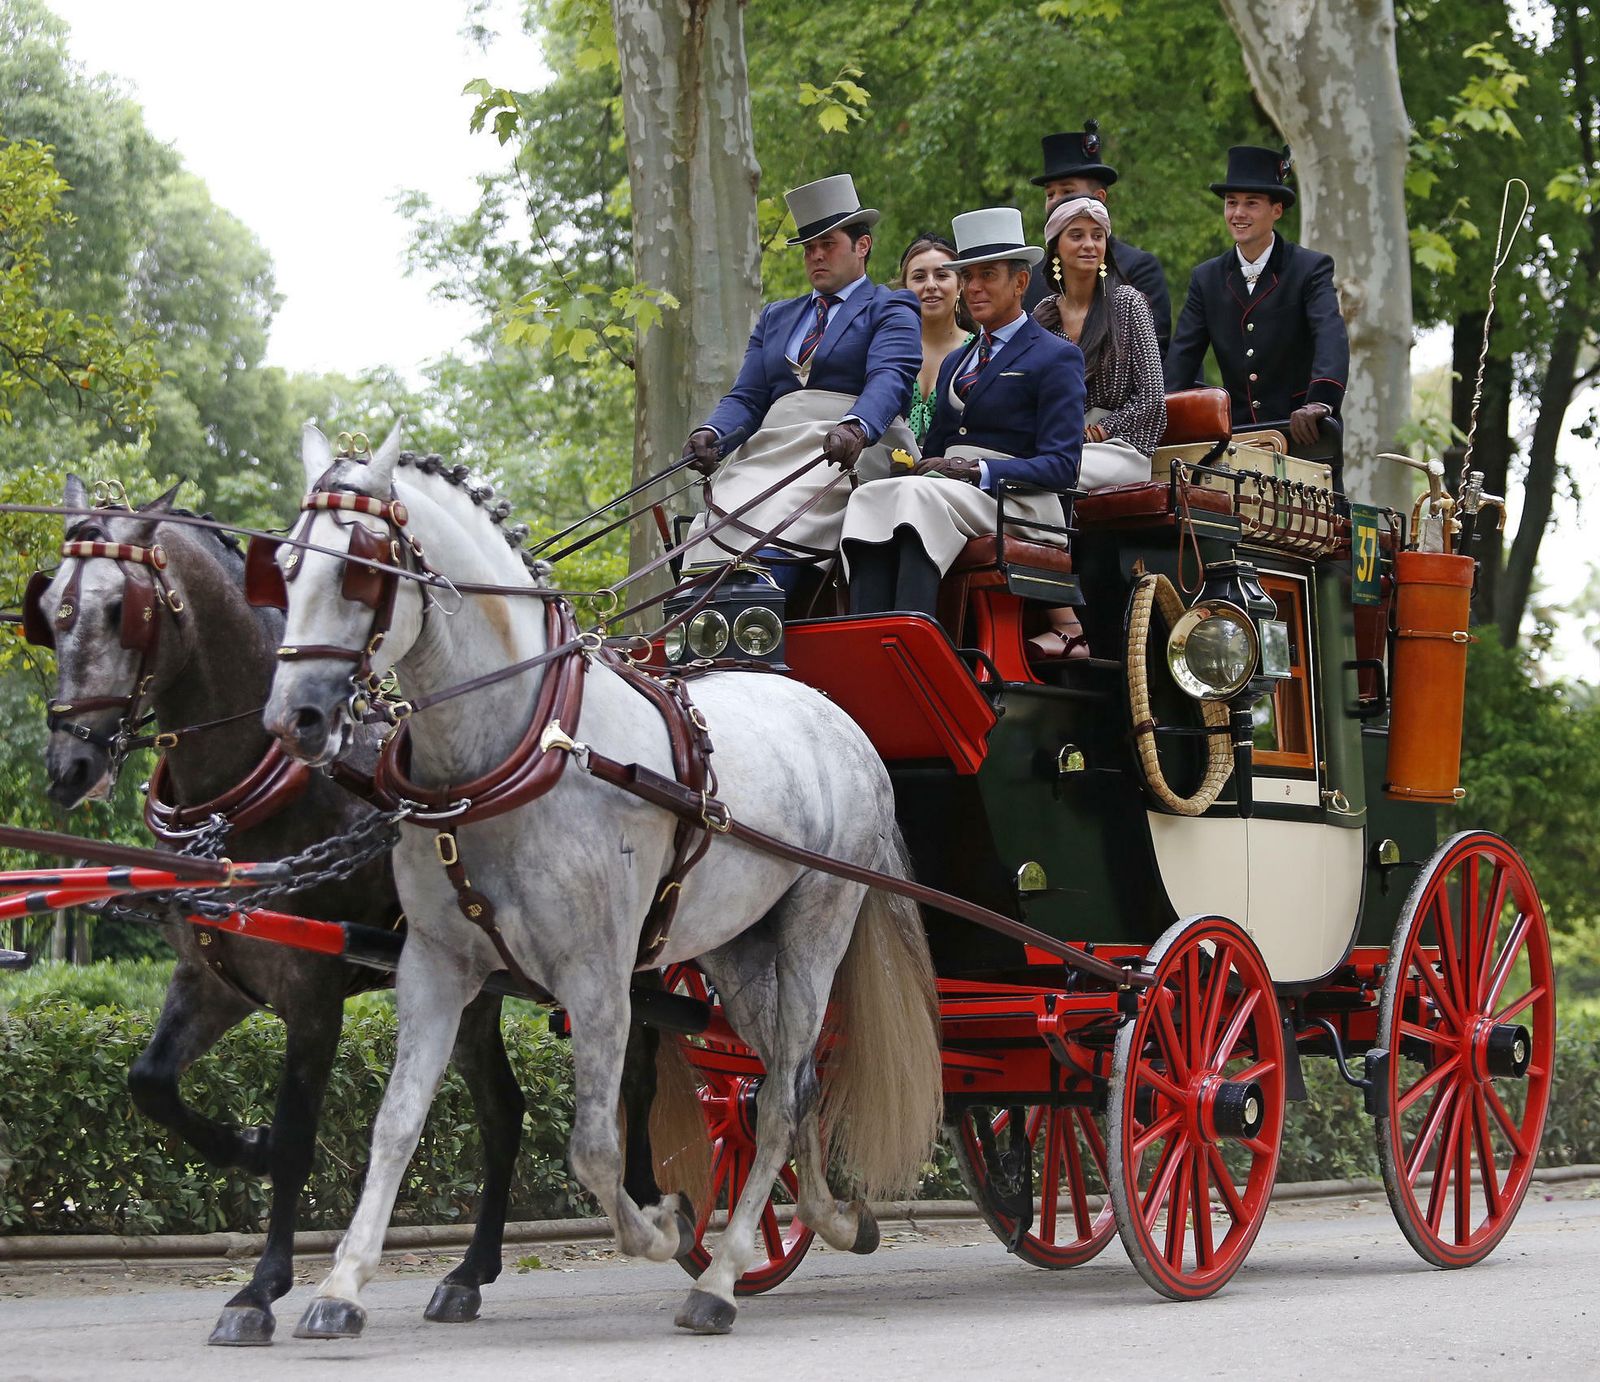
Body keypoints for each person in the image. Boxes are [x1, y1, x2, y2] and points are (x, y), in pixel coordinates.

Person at [840, 207, 1085, 618]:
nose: (973, 287)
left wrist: (977, 471)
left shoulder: (1057, 356)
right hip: (952, 491)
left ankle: (915, 639)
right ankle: (867, 632)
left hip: (1020, 502)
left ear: (1021, 281)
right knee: (870, 495)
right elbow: (935, 450)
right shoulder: (957, 361)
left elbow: (1063, 466)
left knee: (919, 497)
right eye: (968, 276)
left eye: (987, 275)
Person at [680, 174, 920, 591]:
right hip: (771, 449)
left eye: (828, 245)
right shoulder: (778, 316)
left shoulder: (891, 305)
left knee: (785, 510)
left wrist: (857, 425)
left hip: (846, 446)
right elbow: (748, 396)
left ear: (862, 246)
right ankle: (699, 626)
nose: (816, 256)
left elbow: (890, 378)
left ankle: (756, 616)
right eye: (809, 248)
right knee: (717, 520)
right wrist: (712, 432)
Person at [1030, 195, 1166, 659]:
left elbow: (1153, 401)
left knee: (1045, 477)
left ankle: (1071, 628)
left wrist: (1103, 430)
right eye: (1077, 235)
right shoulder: (1042, 316)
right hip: (1059, 444)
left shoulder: (1128, 304)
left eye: (1097, 235)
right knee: (1014, 476)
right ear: (1055, 247)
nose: (1089, 244)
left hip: (1120, 447)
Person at [1163, 145, 1349, 449]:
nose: (1238, 213)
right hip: (1236, 438)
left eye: (1251, 203)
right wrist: (1160, 412)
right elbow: (1182, 359)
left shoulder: (1310, 268)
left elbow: (1330, 335)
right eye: (1231, 202)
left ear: (1277, 210)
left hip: (1302, 431)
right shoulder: (1206, 278)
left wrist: (1321, 403)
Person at [1024, 121, 1171, 358]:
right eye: (1050, 194)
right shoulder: (1034, 279)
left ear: (1099, 198)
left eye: (1067, 191)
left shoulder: (1137, 269)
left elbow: (1155, 358)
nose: (1055, 201)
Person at [897, 232, 973, 447]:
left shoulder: (979, 353)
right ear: (905, 288)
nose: (930, 285)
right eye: (919, 277)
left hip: (956, 472)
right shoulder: (888, 350)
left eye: (941, 275)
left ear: (960, 285)